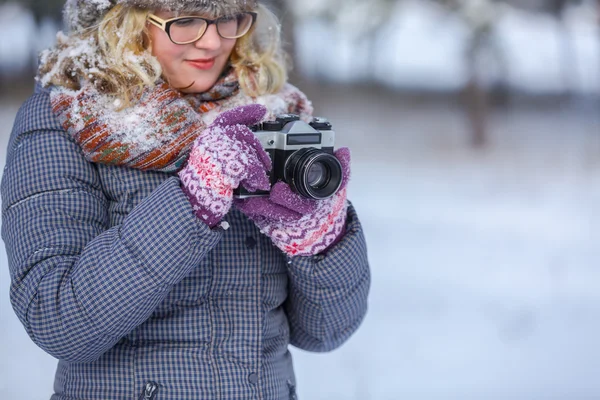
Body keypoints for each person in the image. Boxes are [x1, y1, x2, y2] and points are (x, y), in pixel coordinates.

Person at [1, 0, 371, 399]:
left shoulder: (272, 116)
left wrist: (320, 241)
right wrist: (191, 200)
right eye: (187, 21)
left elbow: (326, 333)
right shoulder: (64, 118)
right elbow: (57, 321)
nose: (212, 41)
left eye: (228, 19)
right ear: (123, 20)